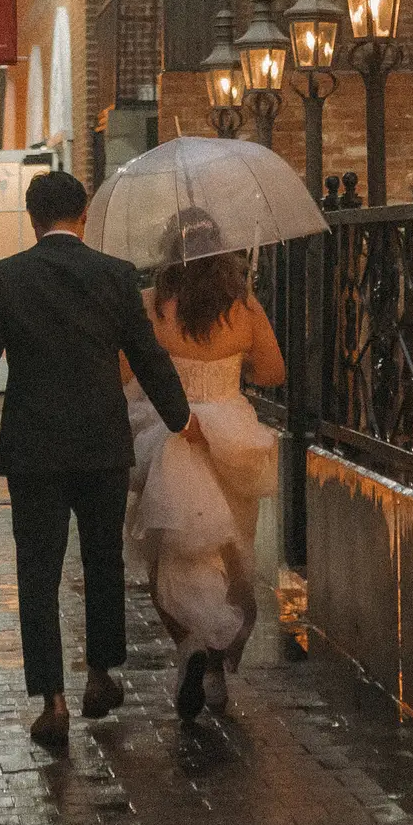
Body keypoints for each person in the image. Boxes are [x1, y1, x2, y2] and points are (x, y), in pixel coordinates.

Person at [0, 167, 198, 749]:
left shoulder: (6, 279)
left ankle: (52, 700)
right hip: (102, 443)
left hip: (34, 450)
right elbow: (148, 356)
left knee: (38, 573)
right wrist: (181, 419)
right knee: (103, 562)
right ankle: (100, 675)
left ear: (32, 219)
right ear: (83, 217)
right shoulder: (115, 276)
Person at [128, 219, 285, 722]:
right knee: (232, 555)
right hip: (231, 438)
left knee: (168, 562)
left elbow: (123, 371)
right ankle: (213, 663)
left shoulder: (154, 305)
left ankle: (192, 647)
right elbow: (272, 373)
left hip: (170, 432)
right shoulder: (243, 307)